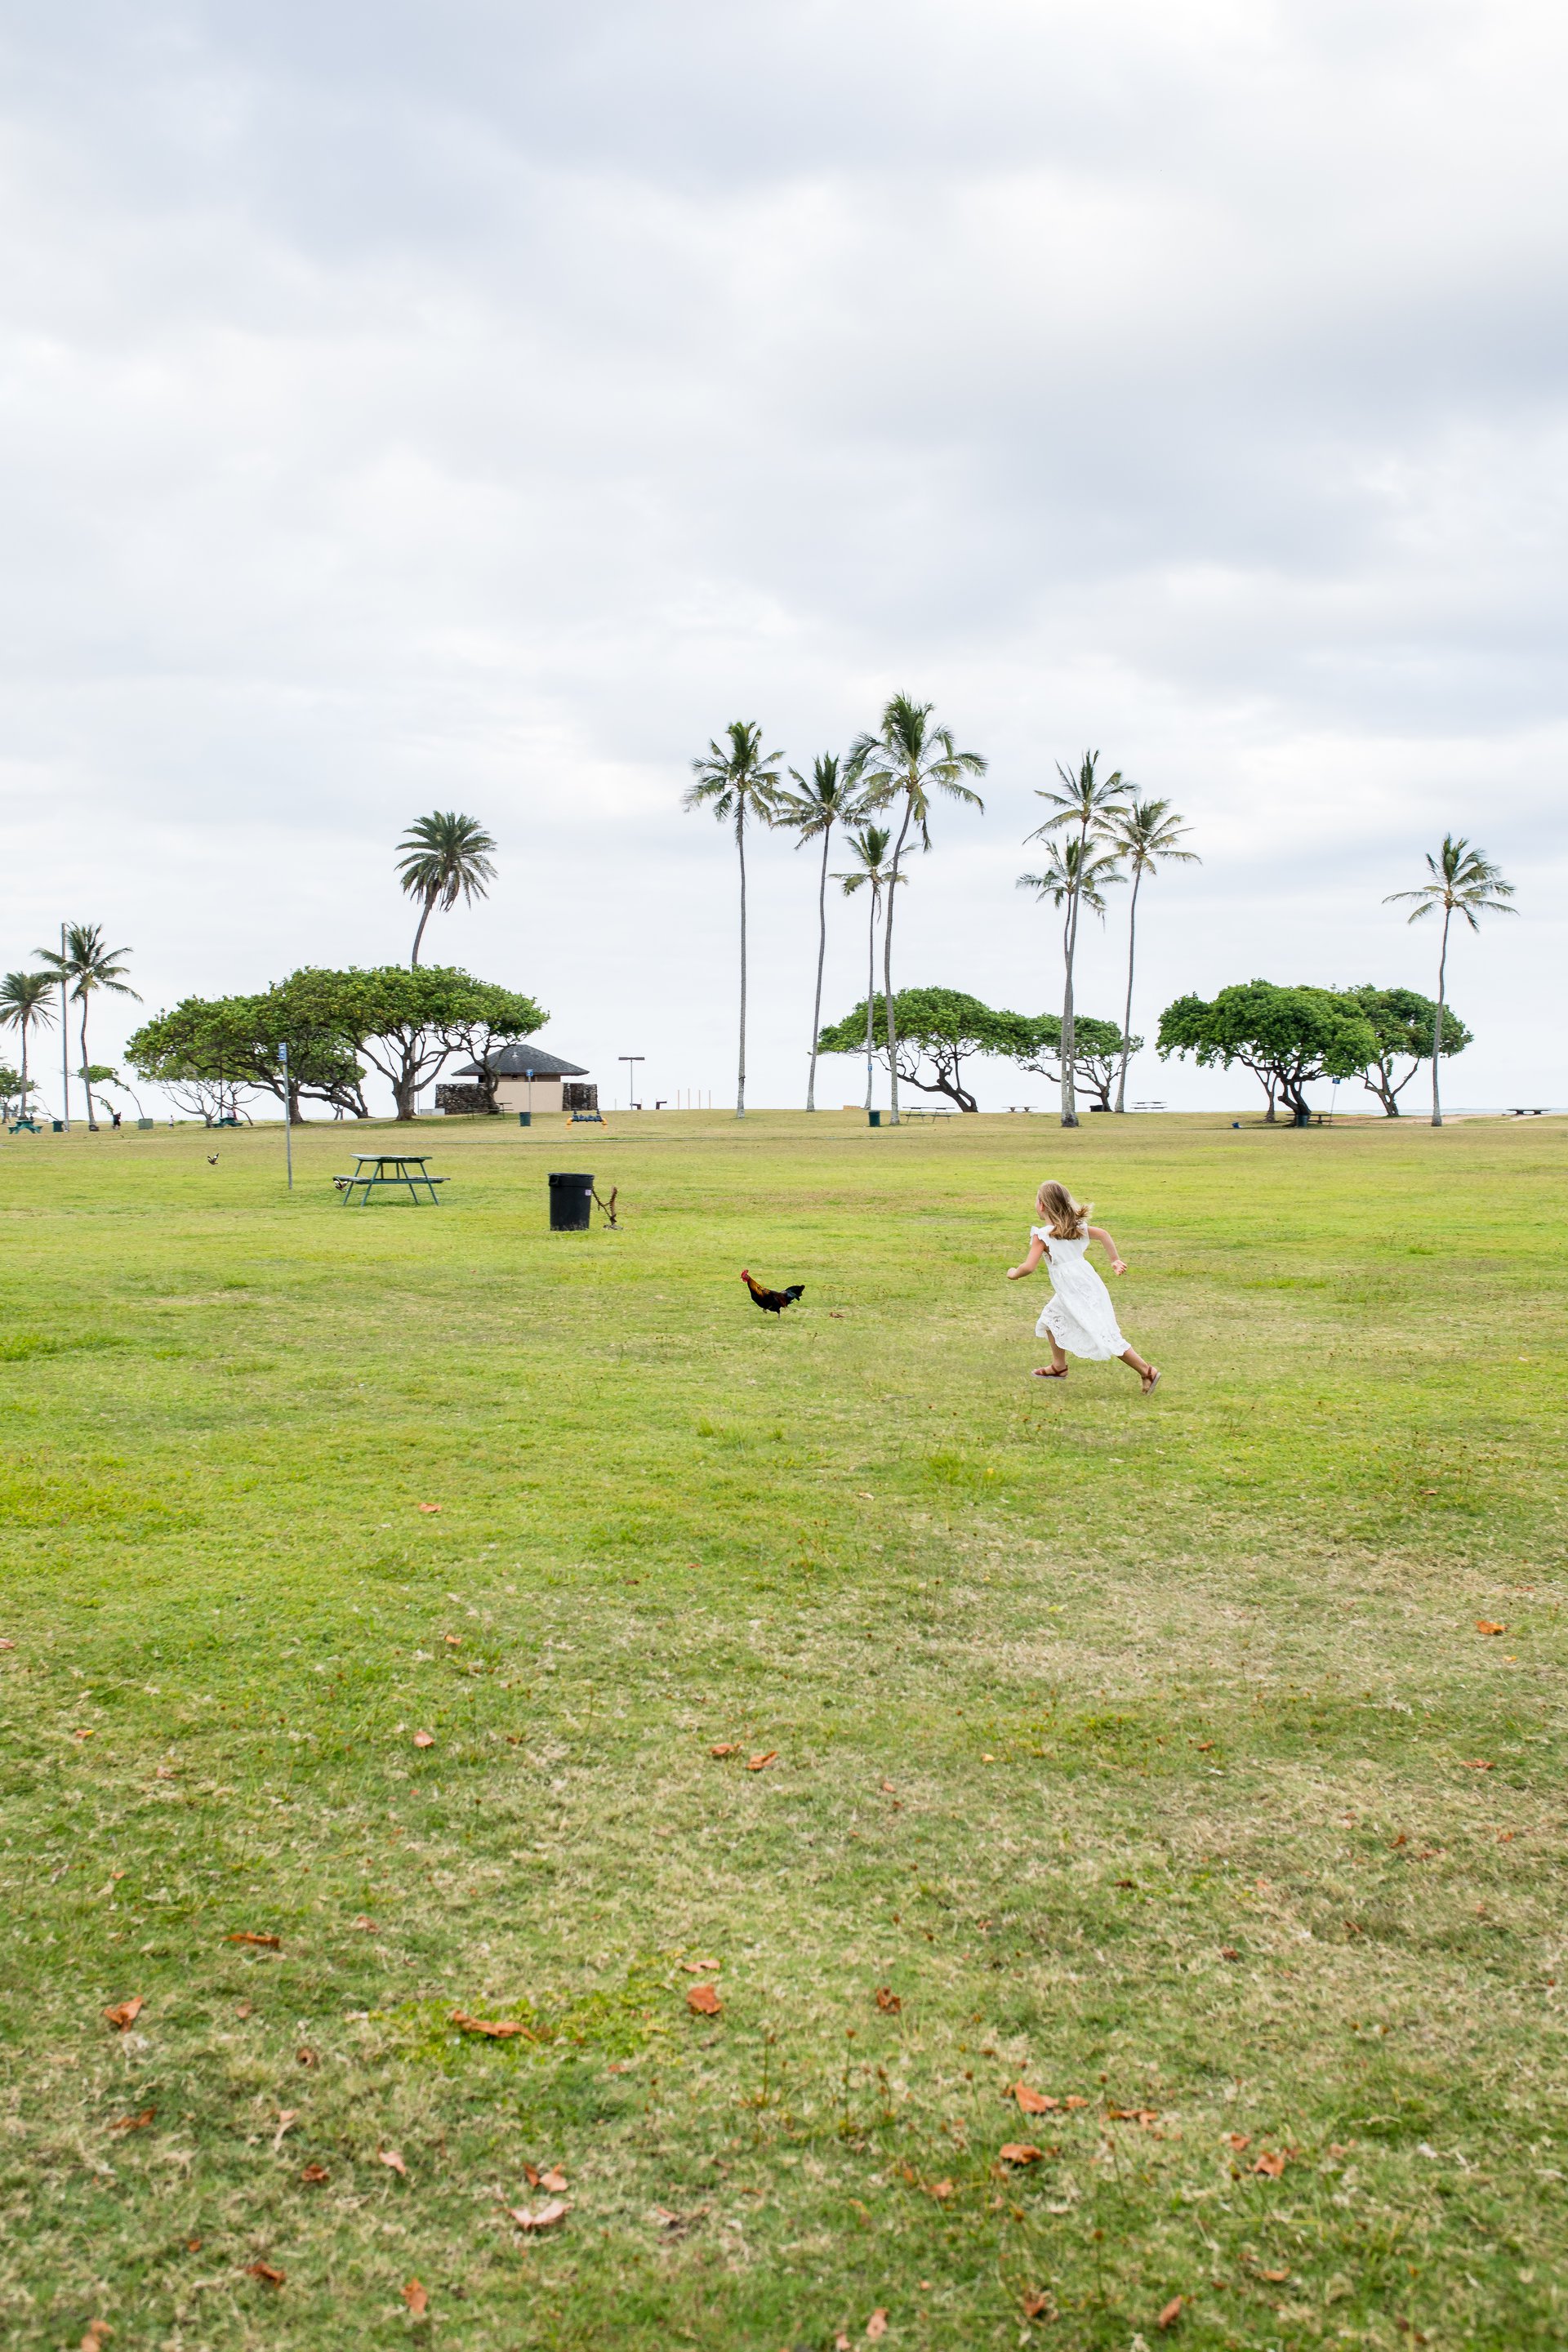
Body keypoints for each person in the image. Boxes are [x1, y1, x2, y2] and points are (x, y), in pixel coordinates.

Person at [1006, 1178, 1160, 1393]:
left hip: (1074, 1290)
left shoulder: (1042, 1235)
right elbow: (1104, 1235)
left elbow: (1029, 1267)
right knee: (1051, 1319)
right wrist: (1114, 1259)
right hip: (1085, 1284)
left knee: (1103, 1333)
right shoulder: (1075, 1227)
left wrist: (1014, 1273)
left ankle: (1147, 1371)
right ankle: (1059, 1367)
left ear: (1041, 1205)